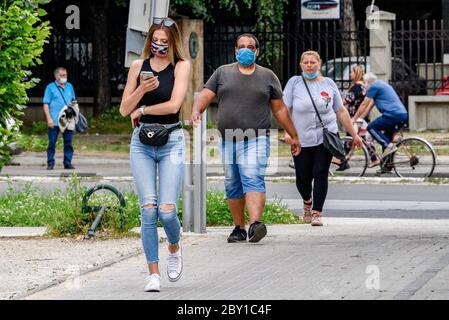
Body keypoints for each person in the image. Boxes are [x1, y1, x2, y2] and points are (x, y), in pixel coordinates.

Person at [190, 33, 300, 244]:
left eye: (250, 47)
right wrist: (197, 110)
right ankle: (239, 228)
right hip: (228, 138)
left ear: (257, 51)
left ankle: (256, 224)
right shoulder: (222, 73)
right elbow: (205, 95)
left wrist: (293, 135)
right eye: (242, 46)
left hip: (256, 137)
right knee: (233, 183)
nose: (246, 50)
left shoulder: (268, 76)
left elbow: (280, 110)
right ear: (235, 50)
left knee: (252, 176)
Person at [119, 17, 190, 292]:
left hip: (171, 139)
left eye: (164, 42)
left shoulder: (180, 67)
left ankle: (174, 245)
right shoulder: (138, 66)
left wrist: (144, 109)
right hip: (142, 144)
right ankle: (153, 273)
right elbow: (125, 109)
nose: (159, 46)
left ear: (173, 43)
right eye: (155, 41)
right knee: (148, 210)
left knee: (167, 210)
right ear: (149, 40)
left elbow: (174, 104)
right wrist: (141, 90)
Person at [283, 51, 363, 226]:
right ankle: (307, 202)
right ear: (301, 64)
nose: (309, 65)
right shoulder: (294, 83)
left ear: (319, 64)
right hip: (301, 139)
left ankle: (317, 212)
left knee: (320, 173)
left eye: (313, 62)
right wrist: (288, 132)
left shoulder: (328, 83)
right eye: (306, 62)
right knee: (302, 178)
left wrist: (354, 134)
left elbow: (340, 111)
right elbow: (285, 109)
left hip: (325, 137)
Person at [352, 72, 409, 173]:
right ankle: (387, 166)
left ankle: (389, 147)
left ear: (368, 82)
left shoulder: (374, 86)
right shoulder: (381, 85)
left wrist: (354, 118)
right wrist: (360, 118)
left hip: (393, 115)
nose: (364, 85)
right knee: (386, 138)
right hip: (401, 114)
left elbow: (364, 104)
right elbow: (369, 107)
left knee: (371, 127)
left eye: (365, 83)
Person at [338, 65, 379, 170]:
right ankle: (343, 160)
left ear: (356, 74)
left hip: (355, 117)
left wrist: (336, 106)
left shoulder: (356, 87)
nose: (350, 75)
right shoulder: (363, 86)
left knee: (355, 138)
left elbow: (348, 99)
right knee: (353, 139)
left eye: (351, 72)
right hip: (362, 117)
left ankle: (343, 160)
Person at [42, 67, 77, 170]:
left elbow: (73, 100)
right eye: (62, 75)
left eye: (65, 75)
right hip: (54, 120)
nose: (64, 77)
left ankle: (67, 162)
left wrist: (73, 105)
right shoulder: (50, 87)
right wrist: (49, 119)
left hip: (68, 119)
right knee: (52, 142)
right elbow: (46, 104)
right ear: (56, 76)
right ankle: (50, 162)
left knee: (68, 142)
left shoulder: (70, 86)